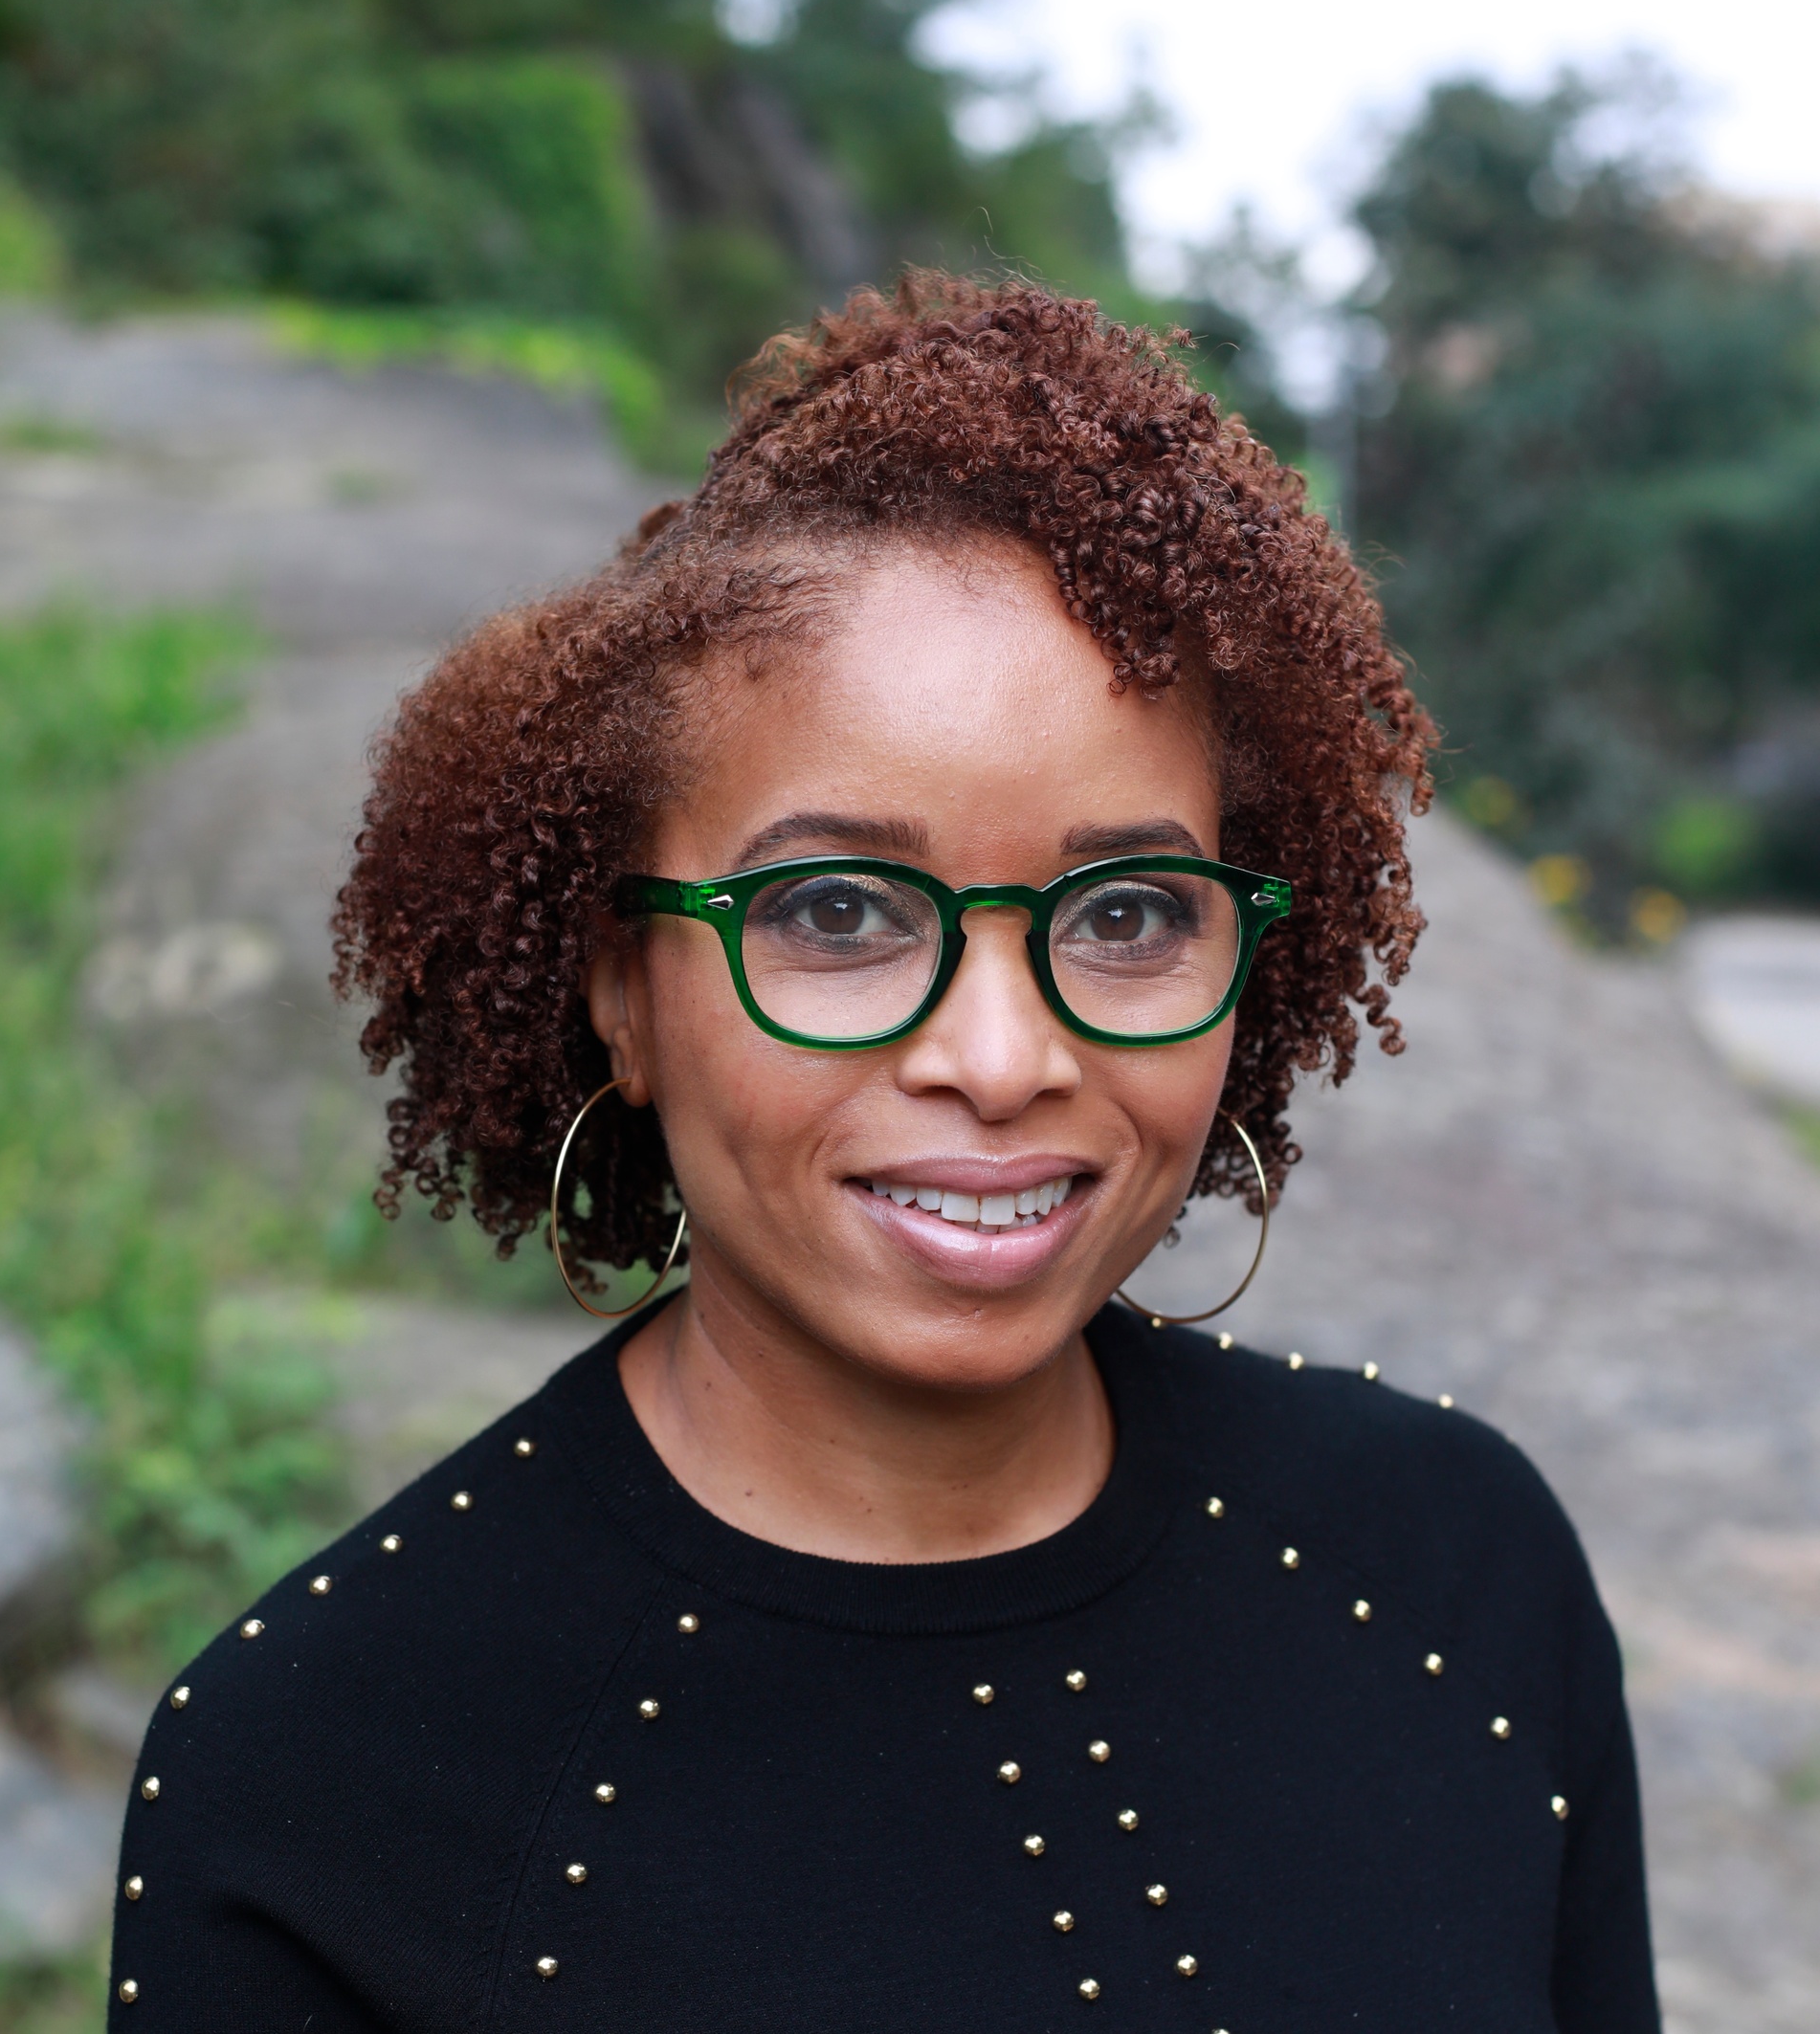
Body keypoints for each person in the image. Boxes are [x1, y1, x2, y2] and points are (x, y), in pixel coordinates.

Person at [107, 276, 1657, 2031]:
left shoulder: (1463, 1569)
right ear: (623, 990)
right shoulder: (305, 1779)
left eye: (1130, 908)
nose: (1004, 1059)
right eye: (836, 909)